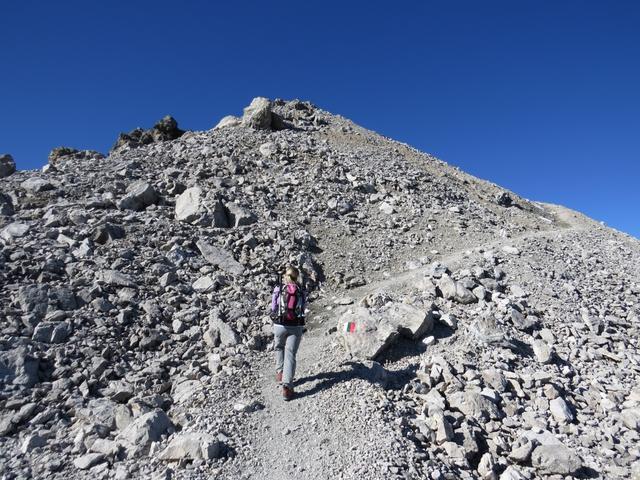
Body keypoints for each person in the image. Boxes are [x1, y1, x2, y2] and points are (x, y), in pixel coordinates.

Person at [270, 265, 306, 400]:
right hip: (295, 326)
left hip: (280, 324)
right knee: (290, 353)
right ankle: (287, 386)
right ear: (296, 277)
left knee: (279, 347)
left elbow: (274, 306)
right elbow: (303, 308)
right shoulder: (301, 290)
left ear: (286, 276)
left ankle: (280, 372)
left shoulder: (279, 288)